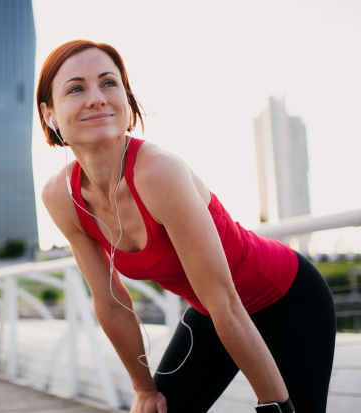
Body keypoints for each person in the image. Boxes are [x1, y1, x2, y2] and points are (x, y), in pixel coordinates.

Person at [37, 40, 336, 413]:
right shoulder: (61, 197)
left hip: (289, 299)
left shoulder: (157, 172)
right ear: (48, 113)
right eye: (76, 88)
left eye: (109, 83)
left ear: (125, 99)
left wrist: (273, 405)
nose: (96, 98)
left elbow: (226, 298)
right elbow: (111, 304)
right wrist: (145, 390)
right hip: (213, 312)